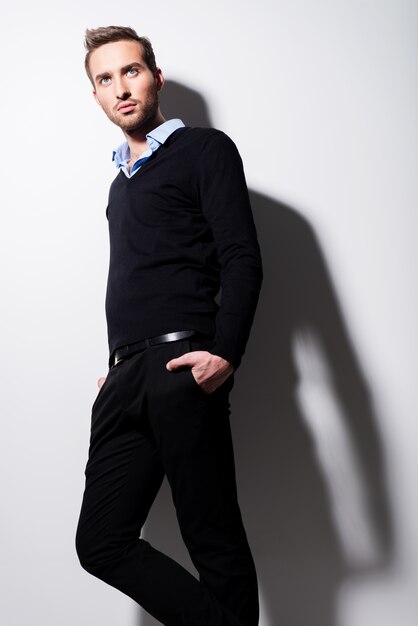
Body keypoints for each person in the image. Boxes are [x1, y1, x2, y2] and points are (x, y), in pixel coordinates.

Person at [75, 25, 263, 626]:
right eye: (105, 79)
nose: (120, 88)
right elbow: (136, 278)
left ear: (155, 76)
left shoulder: (204, 150)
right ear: (97, 96)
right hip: (124, 376)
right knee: (100, 542)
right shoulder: (117, 187)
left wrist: (225, 352)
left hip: (184, 364)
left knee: (211, 535)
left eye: (130, 71)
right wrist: (113, 367)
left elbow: (241, 256)